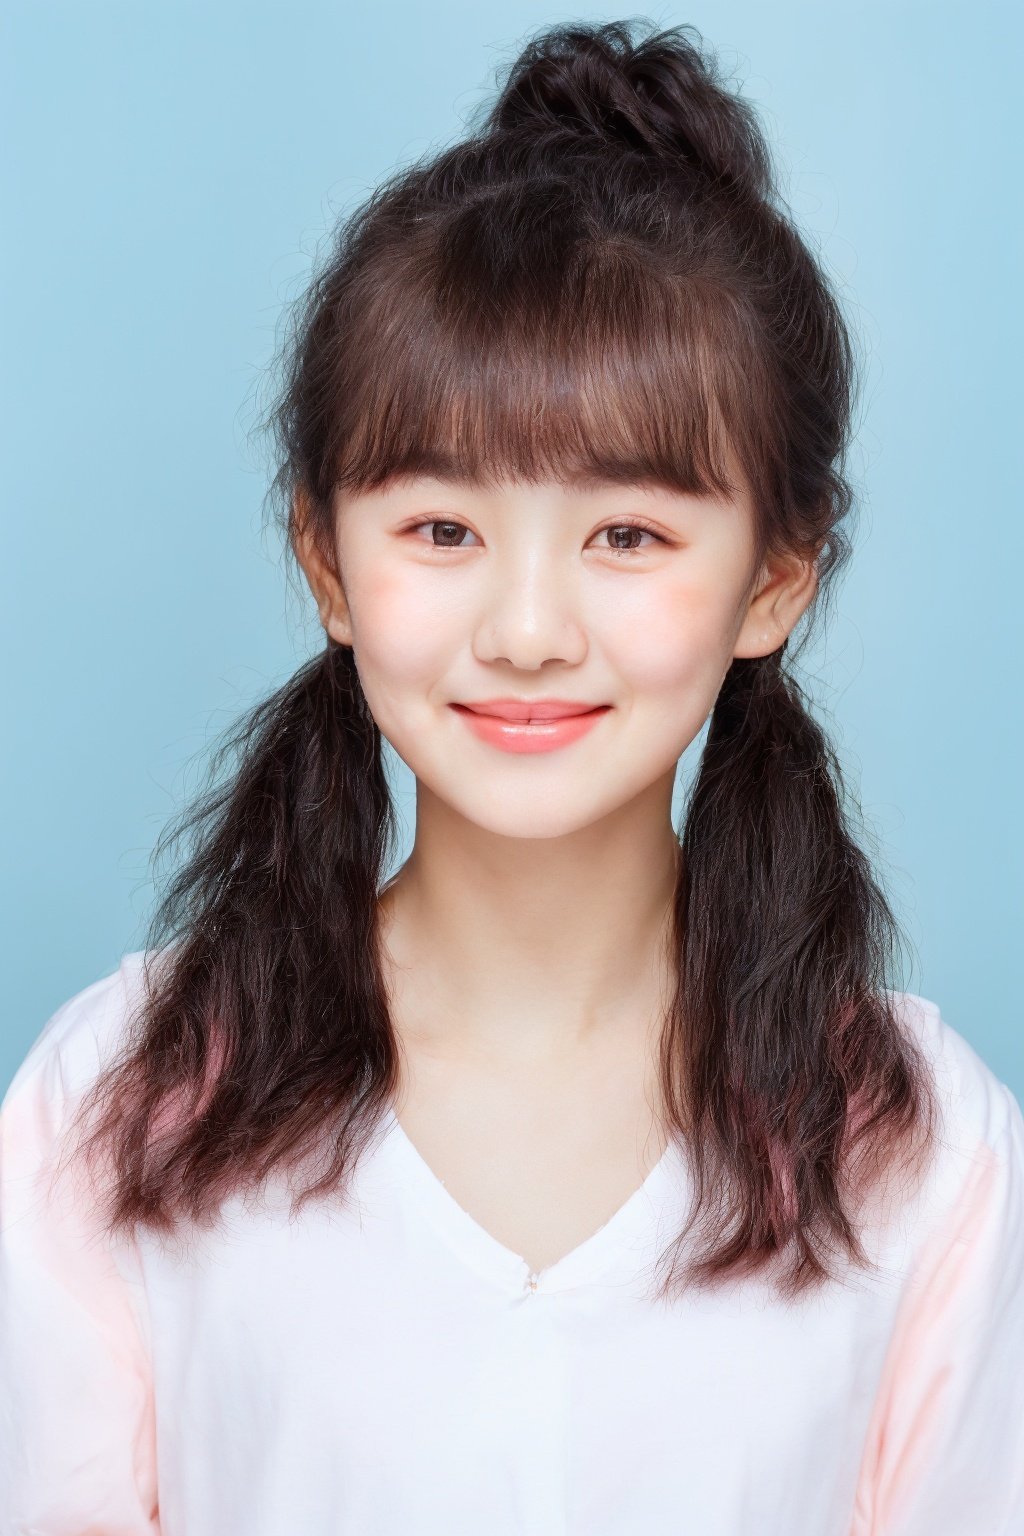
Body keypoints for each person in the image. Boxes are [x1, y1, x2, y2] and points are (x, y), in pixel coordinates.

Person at [2, 17, 1022, 1535]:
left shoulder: (920, 1143)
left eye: (629, 535)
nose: (530, 631)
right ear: (326, 566)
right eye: (440, 530)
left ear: (776, 579)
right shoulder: (124, 1097)